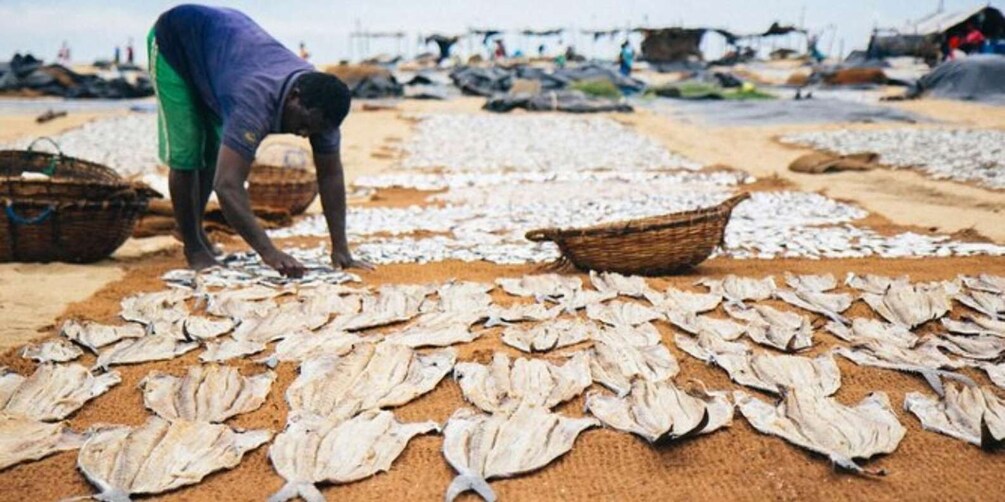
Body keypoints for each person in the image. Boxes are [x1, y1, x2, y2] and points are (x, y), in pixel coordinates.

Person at [149, 5, 372, 276]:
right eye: (302, 125)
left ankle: (193, 232)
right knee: (188, 153)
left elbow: (331, 176)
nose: (303, 134)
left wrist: (341, 249)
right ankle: (194, 247)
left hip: (224, 54)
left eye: (311, 132)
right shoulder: (254, 102)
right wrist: (269, 252)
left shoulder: (324, 113)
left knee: (211, 153)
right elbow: (227, 185)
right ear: (294, 97)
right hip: (177, 40)